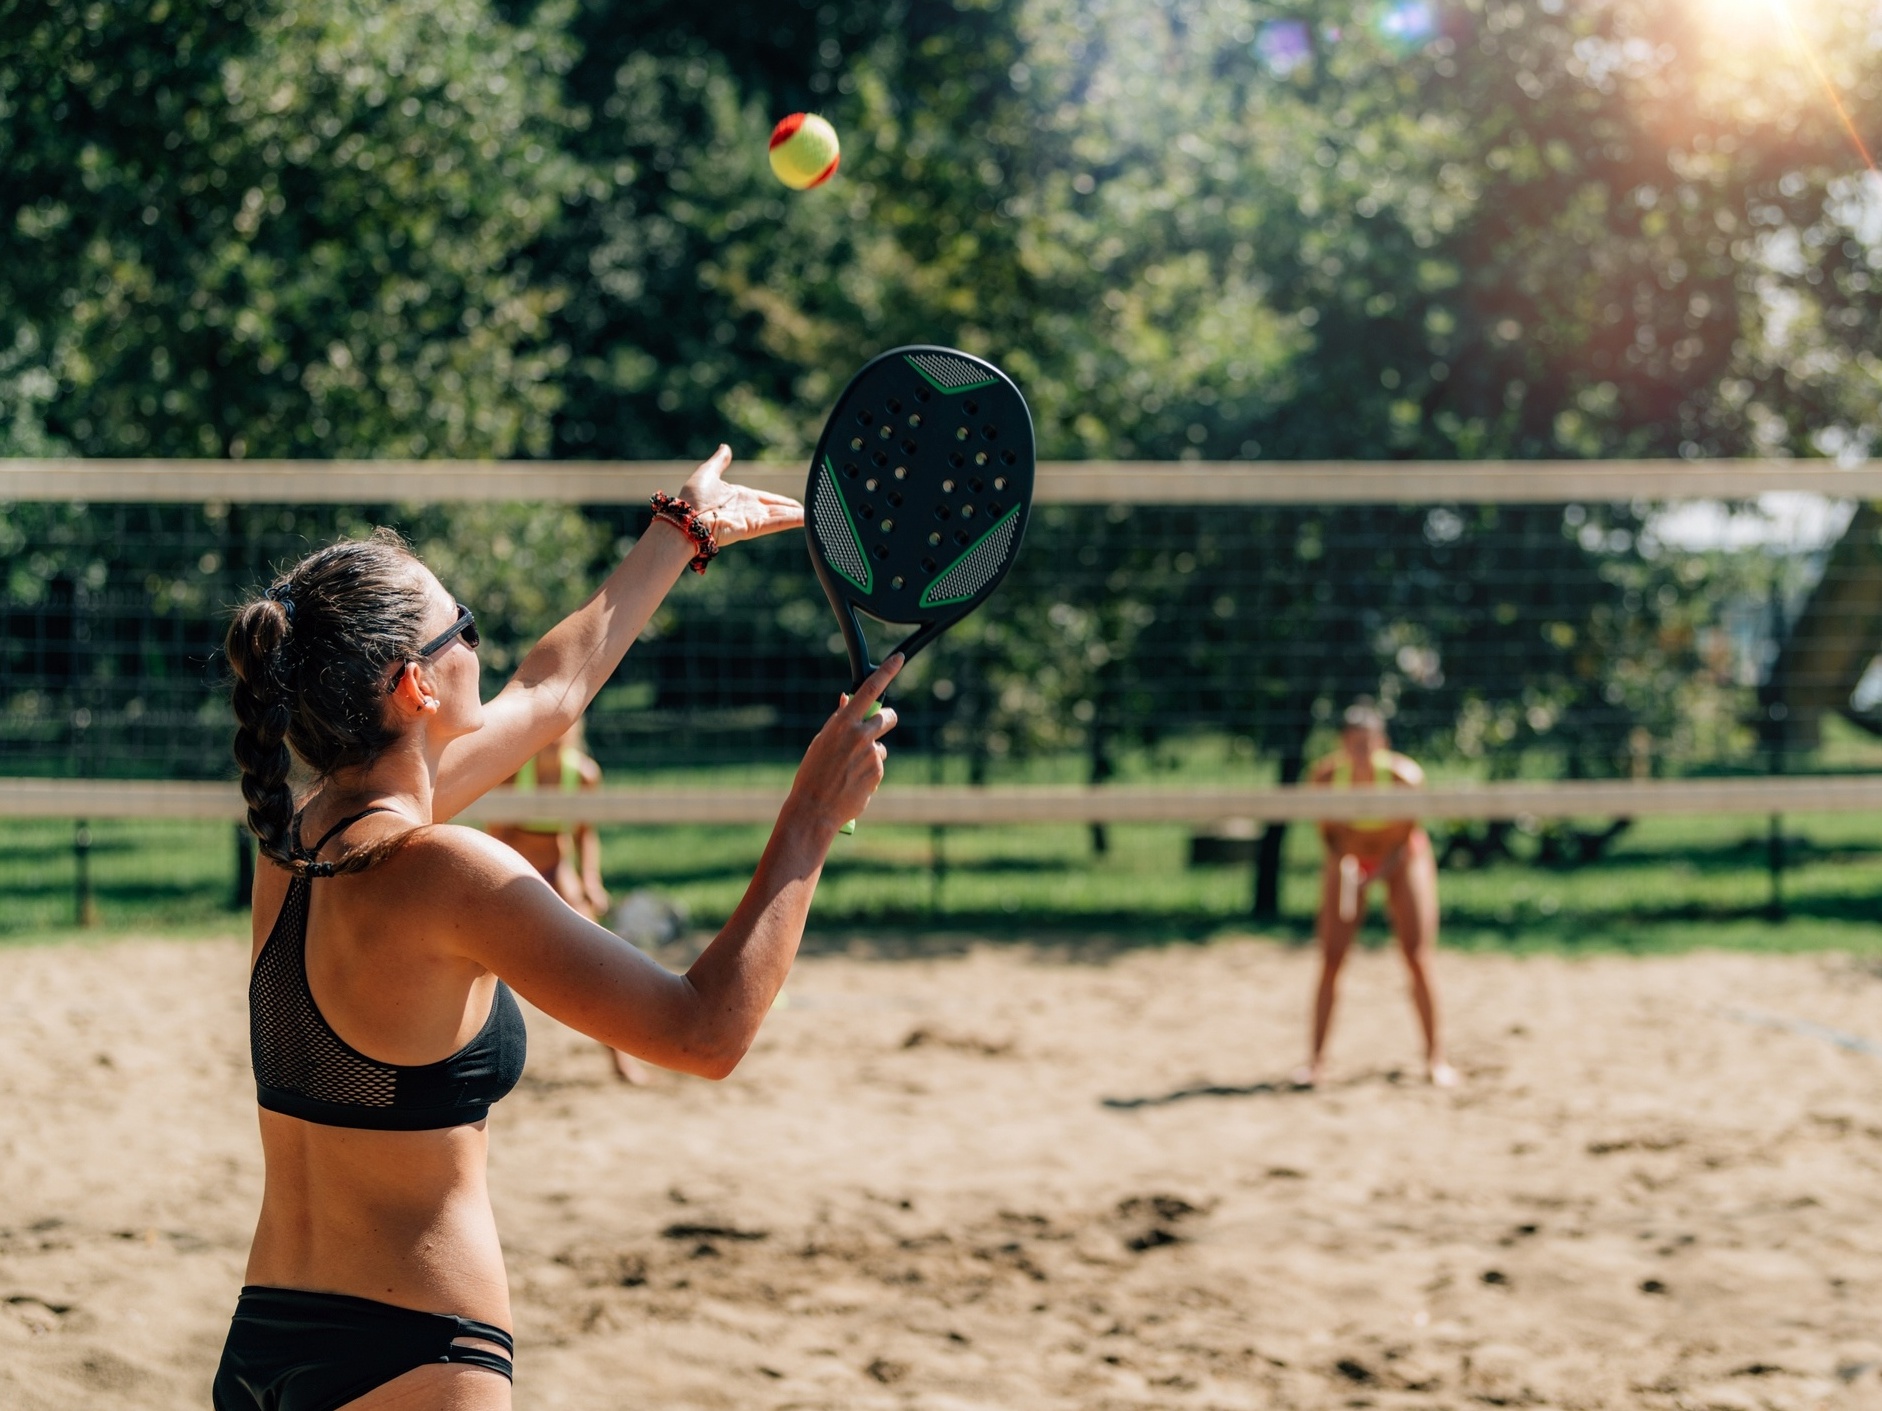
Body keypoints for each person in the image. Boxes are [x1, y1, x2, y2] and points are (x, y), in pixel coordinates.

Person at [215, 447, 900, 1411]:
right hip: (411, 1352)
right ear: (413, 686)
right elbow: (704, 1033)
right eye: (467, 627)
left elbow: (551, 693)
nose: (484, 648)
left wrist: (682, 530)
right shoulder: (452, 872)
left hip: (262, 1346)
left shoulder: (296, 841)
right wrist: (810, 821)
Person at [1297, 700, 1456, 1089]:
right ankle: (1316, 1062)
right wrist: (1350, 868)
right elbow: (1329, 836)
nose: (1361, 752)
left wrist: (1380, 872)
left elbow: (1405, 839)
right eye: (1353, 744)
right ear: (1341, 744)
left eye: (1367, 744)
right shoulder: (1326, 778)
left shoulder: (1404, 778)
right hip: (1349, 860)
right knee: (1332, 956)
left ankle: (1436, 1059)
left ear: (1382, 742)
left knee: (1416, 956)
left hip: (1401, 860)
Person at [485, 719, 650, 1083]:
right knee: (483, 959)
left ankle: (621, 1059)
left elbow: (585, 835)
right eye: (551, 726)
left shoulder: (584, 774)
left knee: (599, 960)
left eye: (565, 726)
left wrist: (591, 880)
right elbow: (495, 839)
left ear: (576, 731)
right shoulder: (515, 772)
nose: (556, 734)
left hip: (558, 867)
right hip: (513, 867)